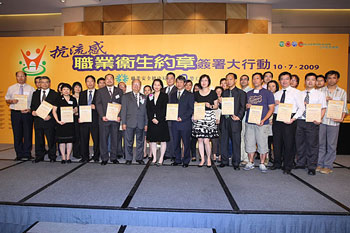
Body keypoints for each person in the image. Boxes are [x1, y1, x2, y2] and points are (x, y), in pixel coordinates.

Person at [271, 72, 304, 174]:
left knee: (289, 143)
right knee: (276, 142)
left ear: (290, 80)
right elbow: (273, 109)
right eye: (282, 79)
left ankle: (287, 165)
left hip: (290, 118)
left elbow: (301, 108)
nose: (284, 81)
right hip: (277, 119)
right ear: (279, 81)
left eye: (286, 79)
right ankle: (277, 163)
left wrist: (293, 119)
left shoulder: (296, 92)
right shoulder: (277, 94)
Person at [295, 73, 327, 175]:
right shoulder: (300, 93)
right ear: (305, 82)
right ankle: (300, 163)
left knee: (312, 145)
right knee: (300, 143)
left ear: (316, 82)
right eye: (308, 79)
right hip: (300, 120)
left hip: (312, 122)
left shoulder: (320, 94)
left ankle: (311, 166)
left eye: (313, 80)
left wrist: (319, 118)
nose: (310, 82)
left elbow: (323, 108)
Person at [243, 73, 275, 173]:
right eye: (254, 79)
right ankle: (250, 162)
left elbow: (271, 109)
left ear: (261, 80)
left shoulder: (268, 93)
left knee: (262, 144)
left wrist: (264, 119)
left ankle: (262, 163)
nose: (255, 80)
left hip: (262, 123)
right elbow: (243, 107)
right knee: (249, 143)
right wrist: (246, 106)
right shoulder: (248, 93)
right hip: (250, 122)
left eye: (257, 78)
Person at [318, 70, 348, 174]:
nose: (331, 80)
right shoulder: (320, 91)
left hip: (334, 122)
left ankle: (328, 165)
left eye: (334, 78)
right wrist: (323, 100)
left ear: (337, 79)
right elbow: (316, 106)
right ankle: (319, 163)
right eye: (329, 78)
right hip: (322, 120)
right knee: (320, 143)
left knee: (331, 144)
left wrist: (342, 118)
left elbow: (344, 108)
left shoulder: (342, 92)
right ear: (326, 79)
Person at [5, 71, 35, 161]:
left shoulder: (31, 89)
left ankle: (27, 153)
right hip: (16, 113)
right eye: (18, 76)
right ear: (16, 77)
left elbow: (34, 102)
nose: (21, 78)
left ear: (25, 77)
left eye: (22, 76)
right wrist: (11, 101)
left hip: (27, 113)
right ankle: (19, 153)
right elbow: (7, 99)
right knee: (17, 133)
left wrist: (29, 109)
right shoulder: (11, 88)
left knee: (27, 133)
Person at [219, 73, 246, 170]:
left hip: (235, 121)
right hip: (224, 120)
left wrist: (238, 117)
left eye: (230, 79)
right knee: (224, 142)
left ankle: (236, 163)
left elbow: (243, 107)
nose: (228, 81)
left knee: (236, 142)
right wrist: (220, 103)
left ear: (235, 80)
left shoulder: (241, 93)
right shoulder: (224, 93)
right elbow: (222, 107)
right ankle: (224, 161)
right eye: (227, 79)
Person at [96, 74, 123, 165]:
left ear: (113, 80)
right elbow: (98, 104)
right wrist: (102, 115)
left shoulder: (119, 91)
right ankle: (104, 158)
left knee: (114, 139)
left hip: (115, 120)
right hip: (104, 119)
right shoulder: (100, 91)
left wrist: (119, 116)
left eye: (111, 78)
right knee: (103, 139)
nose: (109, 80)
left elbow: (122, 105)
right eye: (107, 79)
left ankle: (113, 157)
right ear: (105, 81)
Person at [30, 76, 59, 163]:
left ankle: (52, 156)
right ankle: (39, 156)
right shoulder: (35, 94)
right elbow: (33, 106)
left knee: (51, 139)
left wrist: (50, 115)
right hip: (38, 120)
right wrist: (33, 111)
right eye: (42, 82)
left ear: (49, 83)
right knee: (39, 139)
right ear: (39, 83)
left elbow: (57, 107)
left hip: (49, 120)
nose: (44, 84)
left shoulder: (54, 94)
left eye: (46, 82)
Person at [192, 74, 219, 168]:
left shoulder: (213, 93)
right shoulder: (196, 93)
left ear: (209, 82)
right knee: (199, 139)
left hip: (209, 117)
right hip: (199, 117)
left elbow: (216, 106)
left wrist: (210, 106)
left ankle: (208, 158)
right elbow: (195, 106)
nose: (204, 82)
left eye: (206, 80)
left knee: (207, 140)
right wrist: (194, 116)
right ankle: (202, 159)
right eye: (202, 80)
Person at [169, 76, 194, 167]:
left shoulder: (190, 95)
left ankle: (186, 161)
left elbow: (191, 109)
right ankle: (177, 159)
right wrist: (172, 116)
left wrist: (182, 118)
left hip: (185, 123)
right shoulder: (172, 95)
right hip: (174, 122)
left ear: (184, 83)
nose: (179, 84)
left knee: (186, 143)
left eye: (181, 82)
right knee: (175, 142)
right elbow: (171, 107)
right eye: (177, 82)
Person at [121, 79, 148, 165]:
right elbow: (123, 111)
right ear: (132, 85)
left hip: (141, 123)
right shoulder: (125, 96)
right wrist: (123, 123)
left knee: (140, 142)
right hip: (129, 122)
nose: (136, 86)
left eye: (138, 84)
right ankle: (128, 158)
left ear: (140, 86)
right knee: (128, 142)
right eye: (134, 84)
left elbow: (146, 112)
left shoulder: (144, 97)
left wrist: (146, 123)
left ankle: (139, 158)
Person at [52, 83, 78, 164]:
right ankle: (63, 157)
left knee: (70, 141)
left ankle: (68, 157)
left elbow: (76, 108)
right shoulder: (58, 99)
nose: (66, 91)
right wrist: (58, 121)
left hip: (70, 123)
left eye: (67, 89)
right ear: (61, 91)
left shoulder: (73, 99)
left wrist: (74, 111)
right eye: (64, 89)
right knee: (62, 141)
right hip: (61, 123)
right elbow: (54, 111)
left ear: (70, 90)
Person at [146, 79, 170, 166]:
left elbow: (165, 109)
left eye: (158, 85)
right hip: (152, 121)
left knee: (163, 140)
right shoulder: (150, 95)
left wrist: (158, 119)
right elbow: (148, 108)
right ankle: (154, 158)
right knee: (153, 140)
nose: (156, 86)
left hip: (162, 121)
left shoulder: (165, 96)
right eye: (155, 85)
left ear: (161, 86)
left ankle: (161, 158)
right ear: (153, 86)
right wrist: (152, 118)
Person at [78, 75, 100, 163]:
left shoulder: (99, 93)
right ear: (86, 83)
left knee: (96, 140)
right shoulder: (82, 93)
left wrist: (96, 107)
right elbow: (80, 106)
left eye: (91, 81)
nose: (90, 83)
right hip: (84, 120)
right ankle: (84, 157)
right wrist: (79, 117)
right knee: (84, 139)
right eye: (88, 81)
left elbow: (103, 107)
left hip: (95, 120)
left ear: (94, 83)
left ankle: (96, 156)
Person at [163, 72, 177, 160]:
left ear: (174, 80)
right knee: (166, 135)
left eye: (171, 78)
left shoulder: (177, 90)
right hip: (164, 117)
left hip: (174, 117)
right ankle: (167, 153)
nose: (169, 80)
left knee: (174, 136)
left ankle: (174, 154)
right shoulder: (163, 90)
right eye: (168, 78)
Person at [239, 74, 253, 165]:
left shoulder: (251, 92)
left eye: (245, 79)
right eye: (241, 79)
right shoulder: (239, 92)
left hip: (249, 118)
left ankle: (248, 158)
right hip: (240, 118)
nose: (243, 81)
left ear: (248, 81)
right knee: (241, 138)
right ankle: (242, 157)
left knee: (248, 139)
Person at [266, 80, 279, 162]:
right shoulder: (265, 95)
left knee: (275, 140)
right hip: (266, 120)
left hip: (276, 120)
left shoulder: (279, 95)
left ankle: (276, 157)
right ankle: (267, 157)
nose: (271, 88)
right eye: (269, 86)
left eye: (273, 86)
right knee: (266, 140)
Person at [212, 86, 224, 163]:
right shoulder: (212, 100)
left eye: (220, 91)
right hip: (213, 121)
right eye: (217, 91)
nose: (218, 93)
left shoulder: (225, 101)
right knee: (214, 140)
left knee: (221, 139)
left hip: (222, 122)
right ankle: (214, 154)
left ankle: (220, 155)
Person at [72, 81, 82, 159]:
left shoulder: (83, 96)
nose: (77, 88)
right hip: (74, 119)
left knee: (82, 136)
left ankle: (82, 152)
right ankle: (76, 152)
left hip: (83, 118)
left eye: (79, 87)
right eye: (76, 87)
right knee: (76, 136)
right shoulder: (71, 97)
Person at [117, 81, 127, 159]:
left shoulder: (128, 97)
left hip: (126, 120)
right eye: (120, 86)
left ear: (125, 88)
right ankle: (119, 152)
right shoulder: (115, 97)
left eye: (123, 86)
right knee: (118, 137)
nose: (121, 88)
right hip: (117, 119)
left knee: (126, 138)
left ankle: (126, 152)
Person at [143, 85, 153, 159]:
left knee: (151, 138)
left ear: (151, 91)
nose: (147, 92)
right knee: (144, 138)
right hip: (143, 121)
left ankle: (150, 153)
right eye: (145, 90)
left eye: (148, 90)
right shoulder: (141, 98)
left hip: (151, 120)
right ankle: (144, 152)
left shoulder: (153, 98)